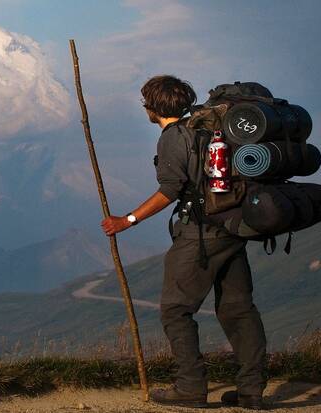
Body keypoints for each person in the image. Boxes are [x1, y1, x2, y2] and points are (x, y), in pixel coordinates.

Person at [100, 75, 267, 410]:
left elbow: (170, 190)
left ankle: (191, 387)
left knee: (176, 310)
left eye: (146, 101)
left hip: (200, 234)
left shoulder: (173, 138)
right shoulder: (209, 127)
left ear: (153, 108)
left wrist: (127, 220)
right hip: (234, 227)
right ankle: (251, 391)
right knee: (238, 309)